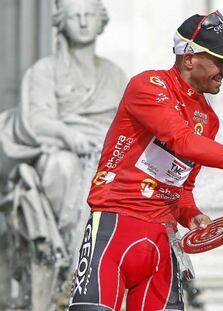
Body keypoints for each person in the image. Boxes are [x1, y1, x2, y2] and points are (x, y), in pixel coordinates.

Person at [68, 11, 223, 311]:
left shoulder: (208, 119)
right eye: (220, 61)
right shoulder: (147, 85)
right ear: (189, 59)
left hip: (163, 241)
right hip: (114, 228)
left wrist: (192, 215)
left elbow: (181, 188)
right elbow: (183, 141)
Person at [0, 0, 126, 309]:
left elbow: (126, 126)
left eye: (89, 15)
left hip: (101, 155)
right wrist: (69, 136)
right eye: (75, 16)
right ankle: (70, 253)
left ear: (101, 22)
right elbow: (37, 120)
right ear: (61, 22)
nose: (83, 22)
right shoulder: (44, 71)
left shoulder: (115, 75)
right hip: (59, 152)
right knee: (64, 165)